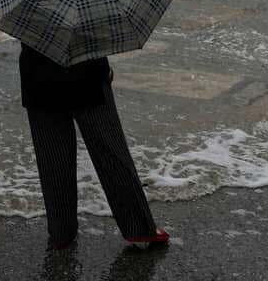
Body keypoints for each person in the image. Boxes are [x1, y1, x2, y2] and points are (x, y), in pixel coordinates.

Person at [19, 43, 169, 248]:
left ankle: (61, 232)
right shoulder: (85, 9)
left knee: (52, 158)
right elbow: (97, 32)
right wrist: (105, 69)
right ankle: (139, 229)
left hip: (36, 74)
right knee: (111, 152)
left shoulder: (29, 10)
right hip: (85, 74)